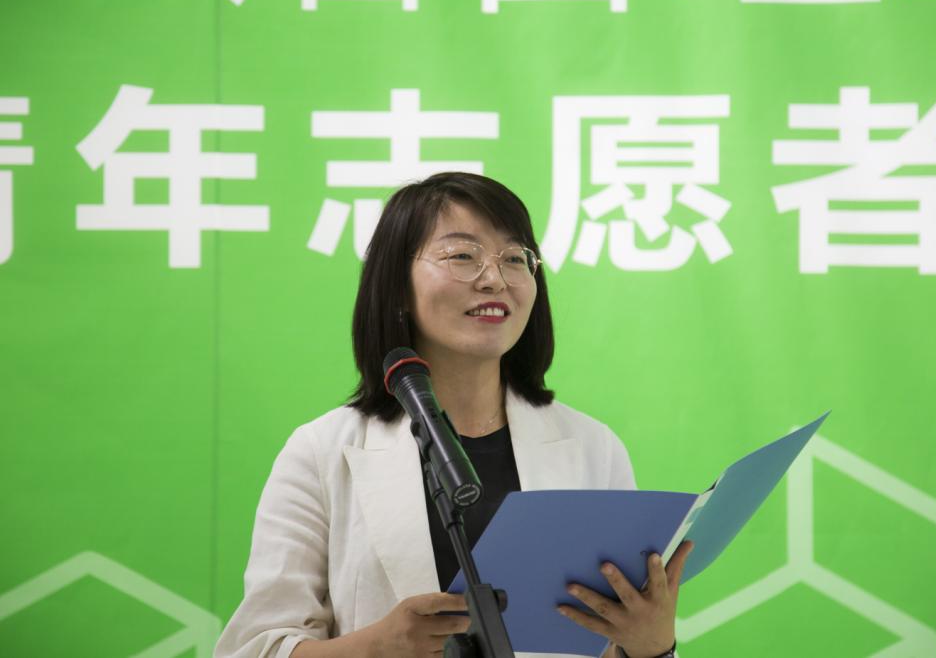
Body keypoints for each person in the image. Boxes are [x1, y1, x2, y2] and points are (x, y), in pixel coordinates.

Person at [215, 172, 692, 658]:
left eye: (514, 259)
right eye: (463, 255)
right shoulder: (322, 452)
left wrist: (653, 647)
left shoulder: (593, 447)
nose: (494, 279)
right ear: (397, 287)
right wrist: (376, 647)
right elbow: (255, 648)